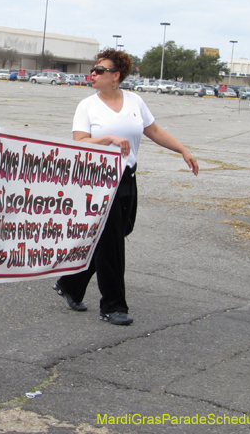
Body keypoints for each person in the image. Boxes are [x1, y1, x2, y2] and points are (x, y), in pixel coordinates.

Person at [53, 49, 199, 326]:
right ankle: (113, 305)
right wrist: (107, 138)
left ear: (116, 76)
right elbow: (78, 142)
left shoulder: (135, 101)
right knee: (112, 243)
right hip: (98, 181)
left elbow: (153, 131)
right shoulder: (87, 106)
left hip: (127, 177)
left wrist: (182, 150)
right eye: (93, 69)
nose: (93, 74)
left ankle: (71, 283)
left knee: (121, 230)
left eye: (100, 70)